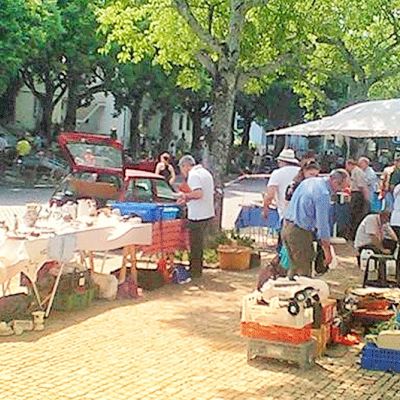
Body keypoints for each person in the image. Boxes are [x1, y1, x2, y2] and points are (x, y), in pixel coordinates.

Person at [282, 169, 350, 277]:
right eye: (340, 188)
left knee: (294, 268)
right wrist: (327, 251)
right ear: (335, 182)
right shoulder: (323, 194)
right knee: (304, 272)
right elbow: (322, 224)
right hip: (300, 232)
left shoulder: (310, 181)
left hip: (287, 226)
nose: (338, 191)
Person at [177, 155, 215, 278]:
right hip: (207, 213)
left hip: (197, 215)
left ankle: (195, 271)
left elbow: (198, 193)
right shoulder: (205, 173)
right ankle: (197, 269)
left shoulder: (193, 175)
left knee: (195, 245)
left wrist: (185, 196)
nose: (182, 173)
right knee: (198, 244)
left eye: (181, 169)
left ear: (185, 166)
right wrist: (187, 198)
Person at [345, 159, 369, 240]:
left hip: (358, 195)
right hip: (355, 193)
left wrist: (366, 197)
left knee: (355, 215)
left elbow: (361, 186)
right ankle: (350, 234)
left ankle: (353, 234)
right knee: (352, 215)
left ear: (350, 164)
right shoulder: (354, 171)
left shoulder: (357, 171)